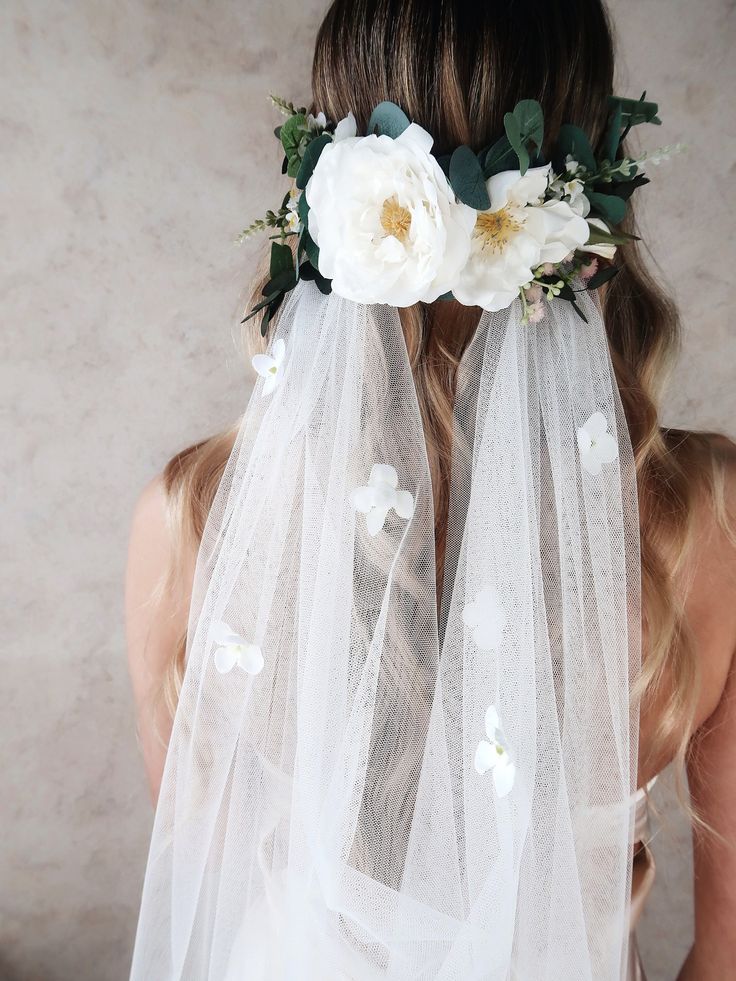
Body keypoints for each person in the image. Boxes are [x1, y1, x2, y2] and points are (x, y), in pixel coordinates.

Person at [126, 1, 736, 978]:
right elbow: (728, 950)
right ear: (593, 180)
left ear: (324, 178)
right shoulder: (708, 521)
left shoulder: (193, 520)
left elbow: (206, 890)